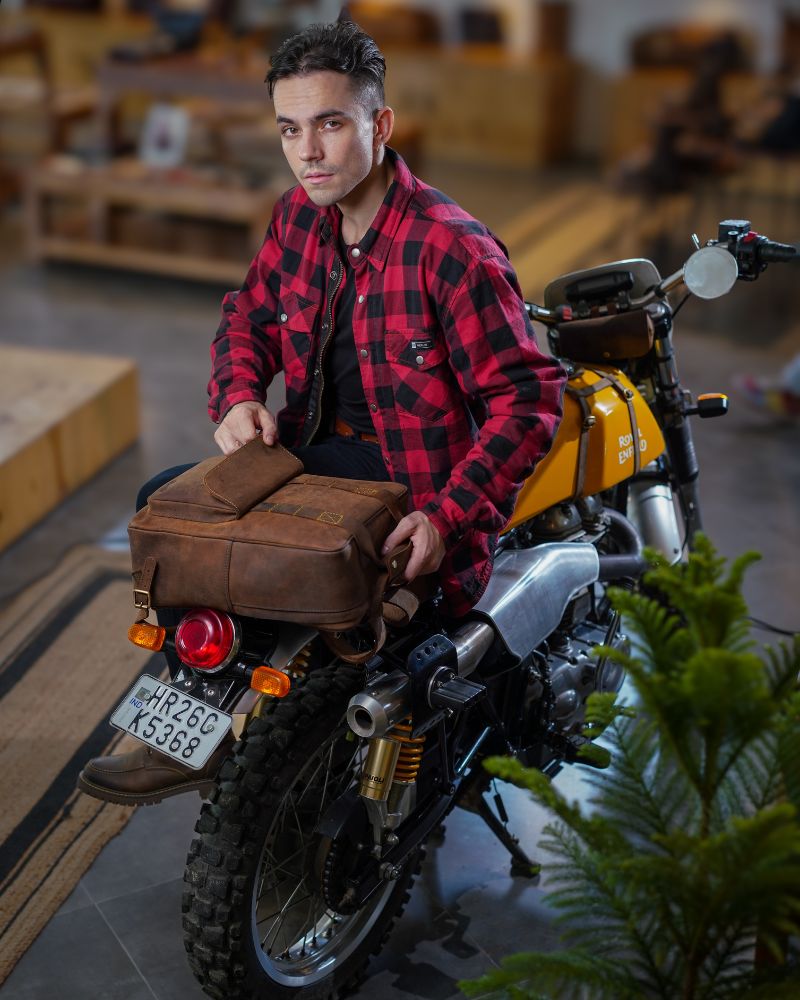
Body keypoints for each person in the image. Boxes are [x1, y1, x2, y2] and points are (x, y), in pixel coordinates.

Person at [78, 16, 566, 805]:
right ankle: (192, 725)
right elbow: (248, 316)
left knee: (264, 559)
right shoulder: (297, 217)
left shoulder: (453, 249)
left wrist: (447, 517)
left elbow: (530, 399)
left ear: (380, 125)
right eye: (290, 129)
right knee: (163, 508)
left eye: (331, 124)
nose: (308, 151)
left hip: (414, 491)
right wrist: (238, 392)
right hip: (312, 455)